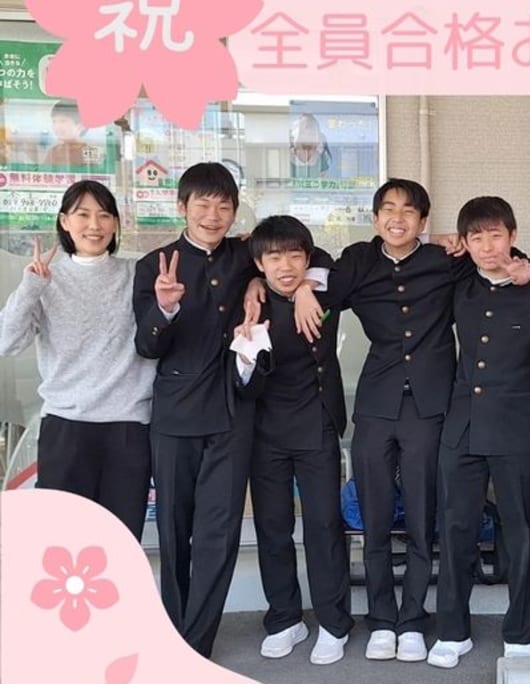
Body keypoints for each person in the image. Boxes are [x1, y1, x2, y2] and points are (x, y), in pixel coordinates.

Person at [295, 178, 530, 662]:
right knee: (376, 517)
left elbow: (499, 257)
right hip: (377, 403)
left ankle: (412, 621)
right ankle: (381, 619)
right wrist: (303, 286)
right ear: (375, 218)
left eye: (409, 211)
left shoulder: (444, 260)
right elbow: (316, 265)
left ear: (423, 222)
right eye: (388, 209)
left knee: (425, 519)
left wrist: (527, 268)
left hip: (431, 405)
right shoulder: (359, 261)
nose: (398, 218)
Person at [133, 162, 328, 657]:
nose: (213, 215)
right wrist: (166, 307)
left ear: (235, 211)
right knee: (174, 532)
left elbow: (312, 253)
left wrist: (302, 286)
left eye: (223, 206)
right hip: (176, 415)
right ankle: (171, 629)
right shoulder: (154, 265)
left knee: (218, 534)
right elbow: (147, 346)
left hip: (234, 413)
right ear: (182, 207)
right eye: (203, 204)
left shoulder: (245, 254)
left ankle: (194, 645)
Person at [427, 197, 530, 668]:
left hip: (517, 429)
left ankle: (520, 632)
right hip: (463, 426)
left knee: (522, 531)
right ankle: (452, 631)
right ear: (465, 243)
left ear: (513, 236)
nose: (488, 246)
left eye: (496, 235)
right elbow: (406, 253)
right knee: (456, 528)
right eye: (477, 237)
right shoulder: (458, 281)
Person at [0, 180, 155, 539]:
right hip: (66, 427)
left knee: (120, 540)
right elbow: (7, 343)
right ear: (64, 221)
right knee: (62, 540)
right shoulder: (44, 279)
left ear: (115, 223)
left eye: (104, 215)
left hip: (128, 426)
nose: (94, 225)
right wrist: (30, 288)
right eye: (83, 215)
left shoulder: (137, 274)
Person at [231, 216, 353, 664]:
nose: (285, 266)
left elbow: (327, 258)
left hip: (316, 423)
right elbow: (242, 386)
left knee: (324, 526)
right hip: (265, 430)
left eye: (294, 256)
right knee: (273, 528)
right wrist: (247, 354)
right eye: (274, 258)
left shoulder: (323, 292)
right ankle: (285, 618)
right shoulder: (249, 304)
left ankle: (334, 623)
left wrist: (304, 288)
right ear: (259, 264)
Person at [42, 101, 104, 168]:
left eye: (63, 121)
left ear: (80, 126)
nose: (57, 126)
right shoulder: (53, 152)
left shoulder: (89, 153)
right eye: (54, 121)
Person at [289, 113, 331, 179]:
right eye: (305, 129)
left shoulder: (320, 158)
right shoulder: (287, 157)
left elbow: (325, 180)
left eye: (312, 131)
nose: (308, 133)